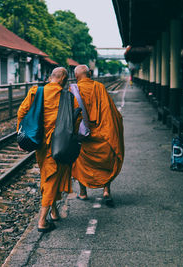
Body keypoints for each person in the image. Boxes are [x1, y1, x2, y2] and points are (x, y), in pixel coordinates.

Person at [17, 67, 72, 233]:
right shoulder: (67, 96)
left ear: (51, 77)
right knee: (51, 178)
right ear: (63, 79)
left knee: (48, 175)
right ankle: (42, 221)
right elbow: (73, 121)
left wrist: (21, 137)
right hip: (58, 144)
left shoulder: (37, 91)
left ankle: (54, 212)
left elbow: (21, 112)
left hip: (39, 142)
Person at [72, 65, 124, 205]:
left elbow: (72, 116)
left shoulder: (74, 90)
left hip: (83, 137)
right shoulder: (99, 87)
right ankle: (106, 190)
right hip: (102, 133)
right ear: (89, 74)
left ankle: (83, 193)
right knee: (106, 162)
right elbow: (111, 113)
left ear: (76, 76)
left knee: (80, 163)